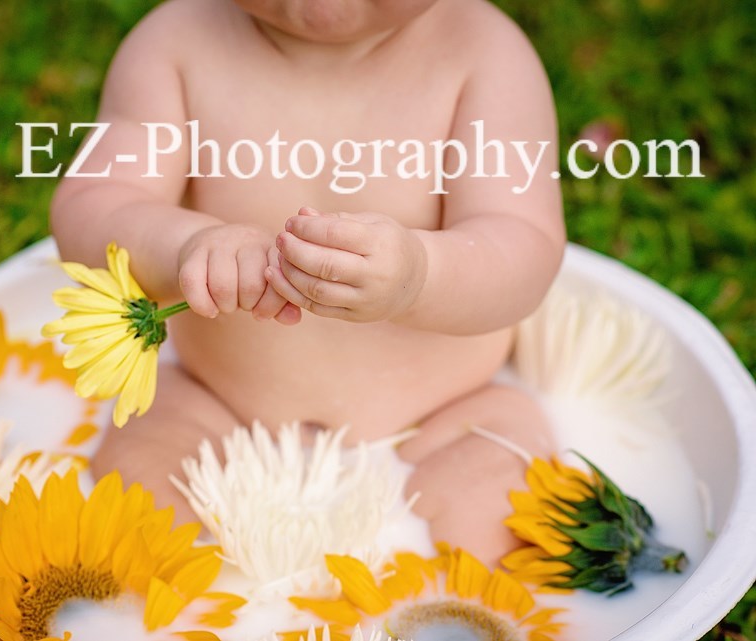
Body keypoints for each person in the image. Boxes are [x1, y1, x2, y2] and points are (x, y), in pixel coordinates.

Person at [51, 0, 564, 563]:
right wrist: (186, 248)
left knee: (508, 527)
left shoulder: (484, 55)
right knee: (132, 528)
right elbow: (94, 205)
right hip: (215, 399)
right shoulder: (174, 45)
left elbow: (524, 248)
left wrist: (420, 275)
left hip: (454, 409)